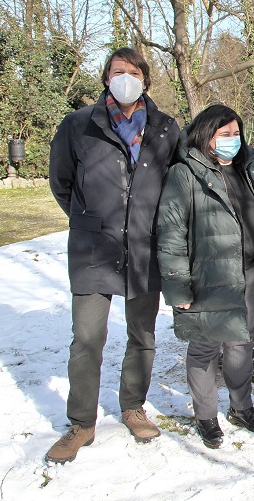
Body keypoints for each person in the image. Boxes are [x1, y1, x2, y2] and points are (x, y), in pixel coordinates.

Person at [46, 47, 180, 464]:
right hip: (92, 248)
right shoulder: (78, 125)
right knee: (87, 338)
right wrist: (89, 218)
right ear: (106, 77)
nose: (127, 77)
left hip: (145, 247)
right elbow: (61, 181)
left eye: (135, 71)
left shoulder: (165, 128)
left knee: (142, 335)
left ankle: (132, 406)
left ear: (146, 80)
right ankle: (81, 422)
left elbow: (174, 184)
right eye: (118, 71)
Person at [156, 104, 254, 449]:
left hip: (251, 273)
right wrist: (178, 286)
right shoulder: (184, 174)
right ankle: (205, 416)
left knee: (241, 342)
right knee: (204, 347)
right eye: (224, 134)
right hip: (209, 278)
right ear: (206, 135)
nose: (233, 140)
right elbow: (170, 235)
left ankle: (241, 408)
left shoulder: (248, 169)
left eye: (236, 134)